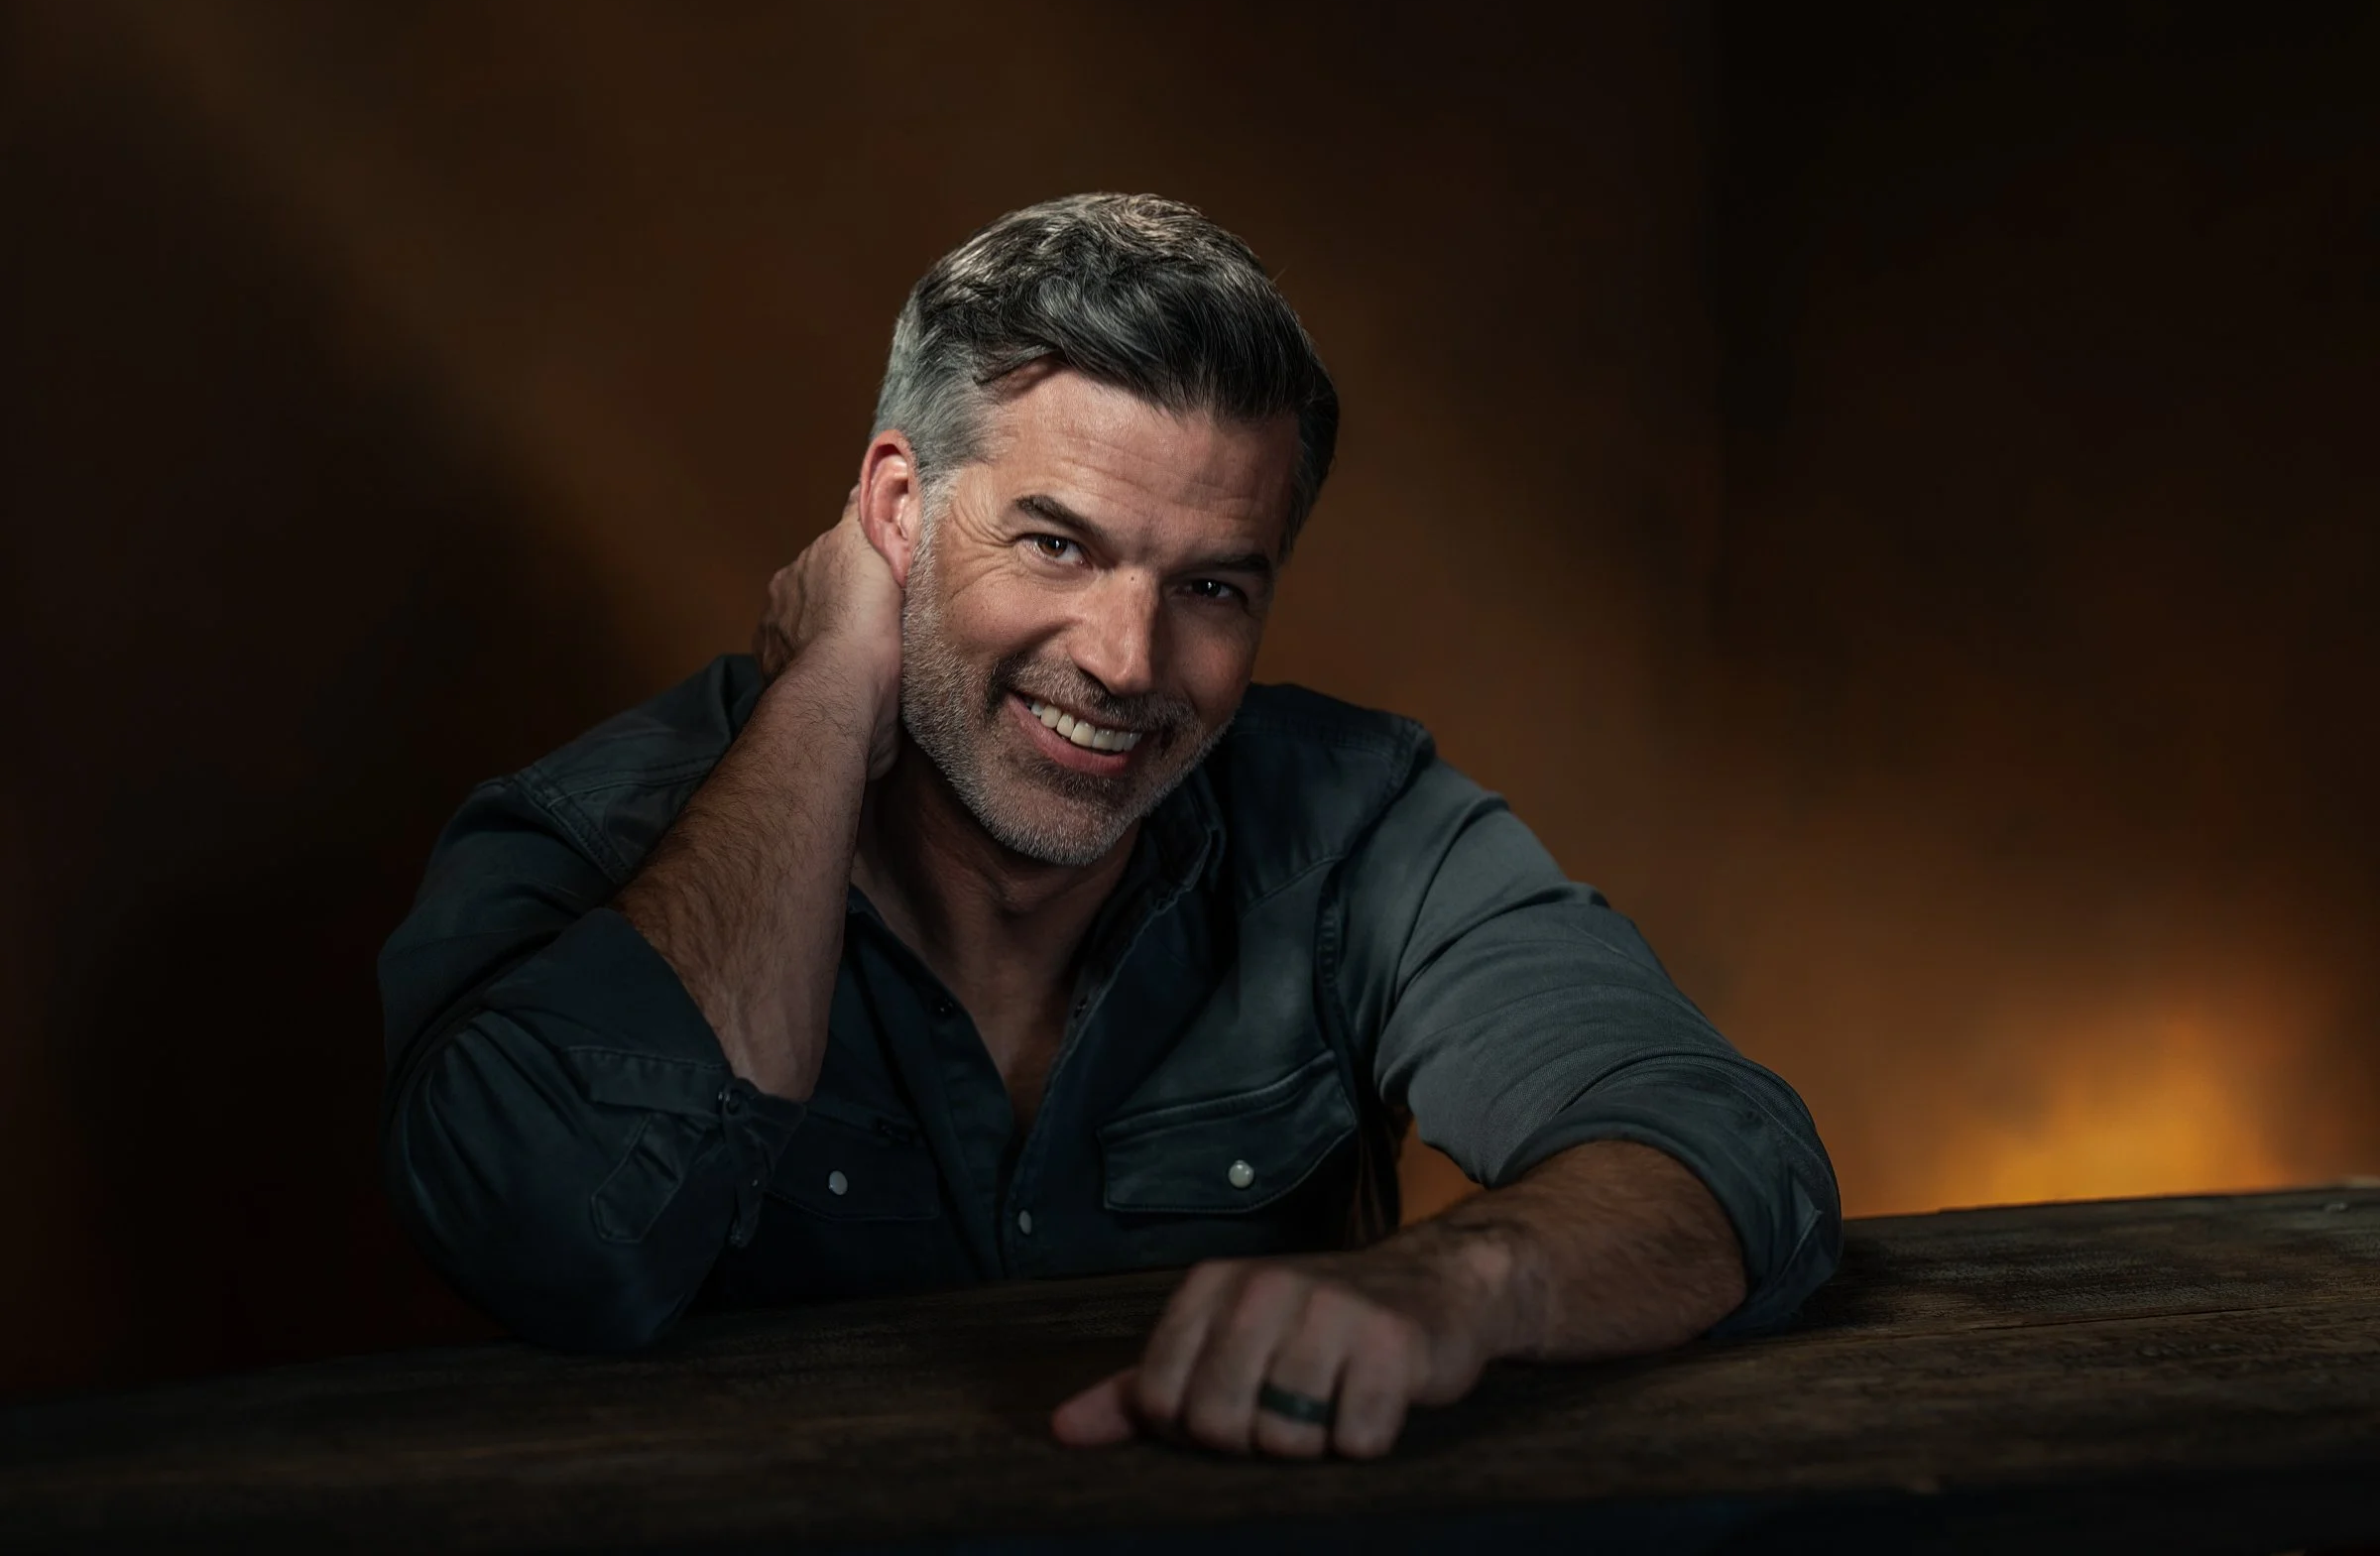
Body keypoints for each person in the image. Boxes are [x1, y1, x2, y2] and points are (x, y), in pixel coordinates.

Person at [379, 192, 1841, 1460]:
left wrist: (1459, 1288)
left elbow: (1722, 1148)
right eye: (1058, 544)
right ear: (895, 509)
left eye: (1213, 586)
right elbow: (552, 1242)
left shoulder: (1360, 825)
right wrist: (830, 687)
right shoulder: (590, 834)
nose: (1130, 664)